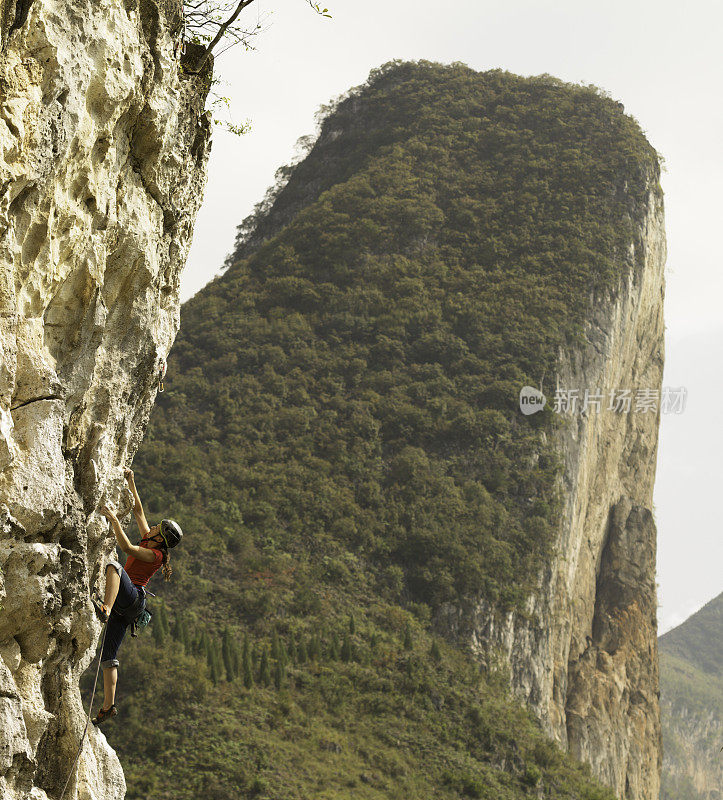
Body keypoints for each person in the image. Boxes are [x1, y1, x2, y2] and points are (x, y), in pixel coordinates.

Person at [90, 467, 183, 725]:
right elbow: (138, 510)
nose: (151, 526)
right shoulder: (151, 541)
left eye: (156, 527)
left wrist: (114, 521)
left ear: (160, 537)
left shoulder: (155, 555)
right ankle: (108, 707)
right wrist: (132, 481)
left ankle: (105, 608)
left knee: (114, 566)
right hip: (128, 607)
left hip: (132, 598)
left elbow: (126, 548)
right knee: (108, 656)